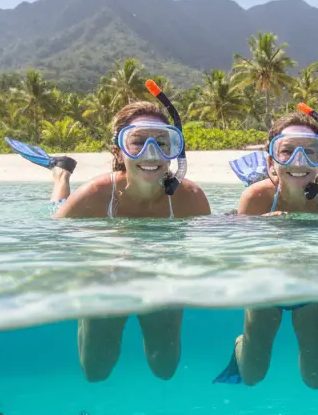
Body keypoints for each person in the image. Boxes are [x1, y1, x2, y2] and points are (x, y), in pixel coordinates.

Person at [55, 85, 211, 381]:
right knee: (95, 371)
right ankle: (60, 175)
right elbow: (54, 238)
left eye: (162, 143)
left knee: (165, 368)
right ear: (118, 150)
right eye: (137, 143)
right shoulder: (96, 194)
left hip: (160, 284)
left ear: (173, 149)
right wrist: (99, 266)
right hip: (107, 283)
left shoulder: (189, 197)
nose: (151, 154)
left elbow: (207, 245)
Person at [215, 104, 318, 389]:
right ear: (271, 160)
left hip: (313, 286)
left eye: (310, 151)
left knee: (315, 379)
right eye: (288, 151)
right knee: (252, 375)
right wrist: (265, 230)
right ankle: (241, 344)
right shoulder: (257, 197)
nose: (299, 161)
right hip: (268, 285)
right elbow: (243, 252)